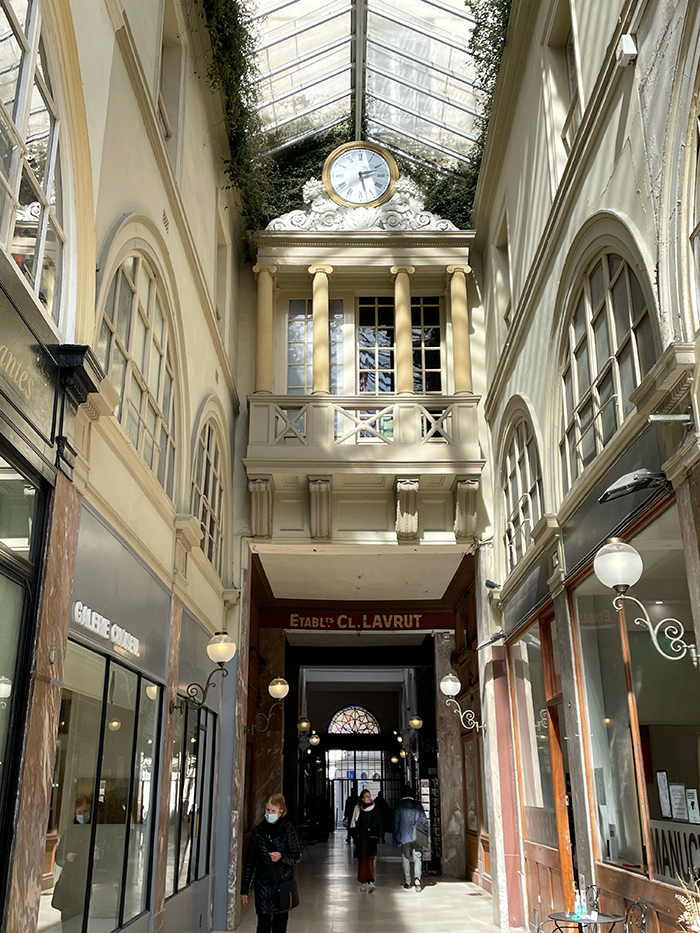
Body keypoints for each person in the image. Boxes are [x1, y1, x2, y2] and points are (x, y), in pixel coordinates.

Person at [241, 794, 301, 933]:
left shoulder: (287, 830)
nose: (269, 813)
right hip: (263, 886)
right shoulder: (258, 831)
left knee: (280, 927)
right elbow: (250, 862)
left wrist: (282, 857)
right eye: (268, 810)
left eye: (273, 811)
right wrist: (244, 890)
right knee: (263, 925)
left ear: (281, 812)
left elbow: (297, 856)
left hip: (282, 886)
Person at [51, 795, 93, 930]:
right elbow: (58, 857)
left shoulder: (93, 830)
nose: (83, 815)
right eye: (80, 812)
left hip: (84, 882)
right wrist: (66, 858)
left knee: (81, 921)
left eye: (85, 811)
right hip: (69, 883)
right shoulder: (70, 831)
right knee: (68, 923)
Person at [393, 783, 429, 892]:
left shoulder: (399, 806)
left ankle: (408, 881)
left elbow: (396, 822)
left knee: (406, 858)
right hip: (417, 835)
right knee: (417, 857)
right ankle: (417, 879)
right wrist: (425, 834)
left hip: (405, 836)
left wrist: (396, 835)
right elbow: (424, 821)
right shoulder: (417, 804)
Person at [350, 788, 384, 892]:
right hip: (361, 838)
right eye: (367, 796)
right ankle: (363, 881)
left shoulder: (375, 809)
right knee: (362, 860)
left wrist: (379, 837)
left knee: (370, 859)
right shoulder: (358, 809)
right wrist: (355, 838)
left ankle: (370, 880)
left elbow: (379, 824)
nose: (369, 798)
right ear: (362, 798)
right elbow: (353, 824)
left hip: (372, 838)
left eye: (370, 796)